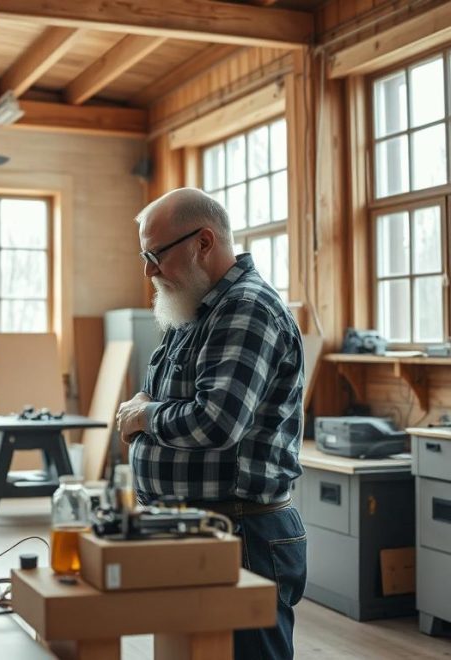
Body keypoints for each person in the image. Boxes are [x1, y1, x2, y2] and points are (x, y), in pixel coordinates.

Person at [115, 188, 306, 659]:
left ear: (203, 242)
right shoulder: (196, 310)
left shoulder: (246, 308)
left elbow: (217, 421)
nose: (148, 270)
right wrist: (150, 408)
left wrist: (144, 414)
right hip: (198, 530)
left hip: (241, 535)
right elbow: (162, 396)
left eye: (155, 254)